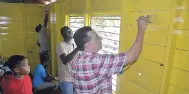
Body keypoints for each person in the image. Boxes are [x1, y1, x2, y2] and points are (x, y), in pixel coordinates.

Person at [68, 16, 149, 94]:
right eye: (96, 36)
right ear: (87, 45)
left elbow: (96, 75)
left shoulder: (76, 58)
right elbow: (133, 56)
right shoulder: (96, 62)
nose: (100, 38)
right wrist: (141, 29)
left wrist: (116, 68)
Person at [56, 26, 79, 94]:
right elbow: (65, 60)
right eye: (68, 31)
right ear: (63, 34)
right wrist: (77, 48)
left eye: (71, 30)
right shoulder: (60, 45)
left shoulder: (74, 45)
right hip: (66, 78)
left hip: (75, 77)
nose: (71, 32)